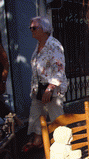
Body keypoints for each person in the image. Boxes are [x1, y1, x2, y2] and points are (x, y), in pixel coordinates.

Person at [22, 16, 68, 152]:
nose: (31, 30)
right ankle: (39, 139)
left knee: (57, 119)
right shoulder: (38, 46)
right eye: (30, 27)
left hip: (52, 89)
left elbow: (59, 69)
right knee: (36, 114)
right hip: (38, 88)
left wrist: (50, 88)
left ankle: (65, 145)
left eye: (34, 28)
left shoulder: (54, 45)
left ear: (45, 29)